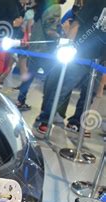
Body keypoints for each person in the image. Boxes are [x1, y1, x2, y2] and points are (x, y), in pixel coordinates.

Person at [34, 0, 106, 136]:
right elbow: (76, 24)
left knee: (89, 93)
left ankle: (76, 122)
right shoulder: (97, 2)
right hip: (81, 53)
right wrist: (68, 46)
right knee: (63, 87)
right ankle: (45, 119)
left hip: (100, 59)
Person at [15, 0, 65, 111]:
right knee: (51, 81)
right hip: (46, 50)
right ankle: (46, 111)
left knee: (29, 76)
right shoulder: (55, 7)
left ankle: (20, 100)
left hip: (35, 48)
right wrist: (62, 38)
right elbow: (50, 30)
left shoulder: (42, 6)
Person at [0, 0, 25, 88]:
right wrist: (12, 23)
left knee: (3, 69)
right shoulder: (6, 2)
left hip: (8, 42)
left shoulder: (18, 6)